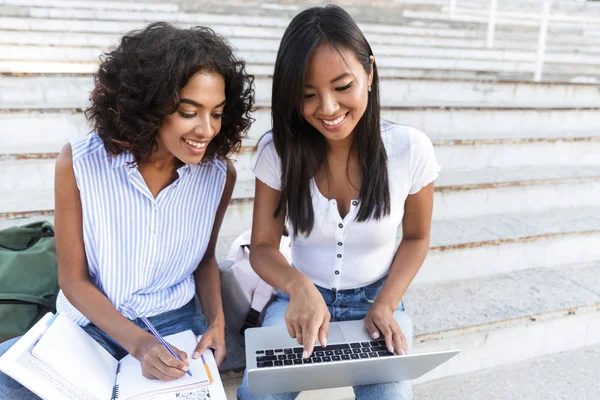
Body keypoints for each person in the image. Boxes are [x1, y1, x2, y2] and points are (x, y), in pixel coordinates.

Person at [0, 22, 254, 399]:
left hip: (175, 324)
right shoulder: (79, 163)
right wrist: (138, 345)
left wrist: (216, 322)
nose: (206, 130)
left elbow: (203, 261)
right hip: (91, 322)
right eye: (189, 111)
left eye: (216, 113)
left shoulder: (218, 176)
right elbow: (73, 280)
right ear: (149, 106)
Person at [237, 5, 440, 400]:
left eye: (342, 86)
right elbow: (262, 246)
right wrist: (297, 287)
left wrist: (387, 303)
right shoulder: (277, 152)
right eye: (308, 95)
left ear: (369, 73)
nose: (327, 109)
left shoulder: (409, 150)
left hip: (376, 301)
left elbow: (416, 237)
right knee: (261, 391)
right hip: (298, 297)